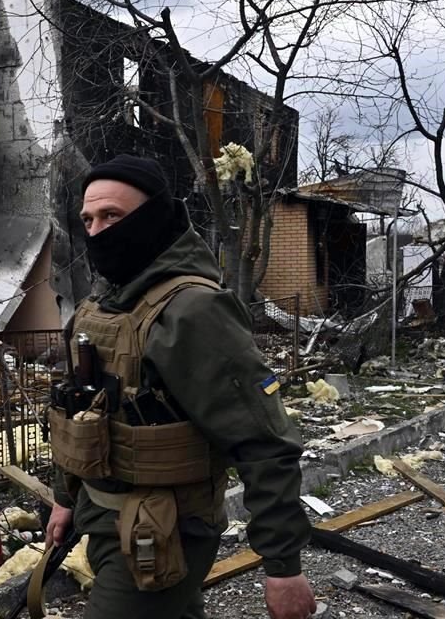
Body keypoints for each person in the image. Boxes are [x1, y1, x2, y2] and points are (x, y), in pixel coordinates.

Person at [45, 154, 316, 619]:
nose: (97, 232)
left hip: (163, 530)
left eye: (112, 216)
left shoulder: (193, 310)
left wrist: (282, 566)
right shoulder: (101, 305)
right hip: (105, 518)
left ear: (155, 217)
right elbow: (82, 413)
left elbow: (263, 440)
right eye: (88, 219)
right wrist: (64, 498)